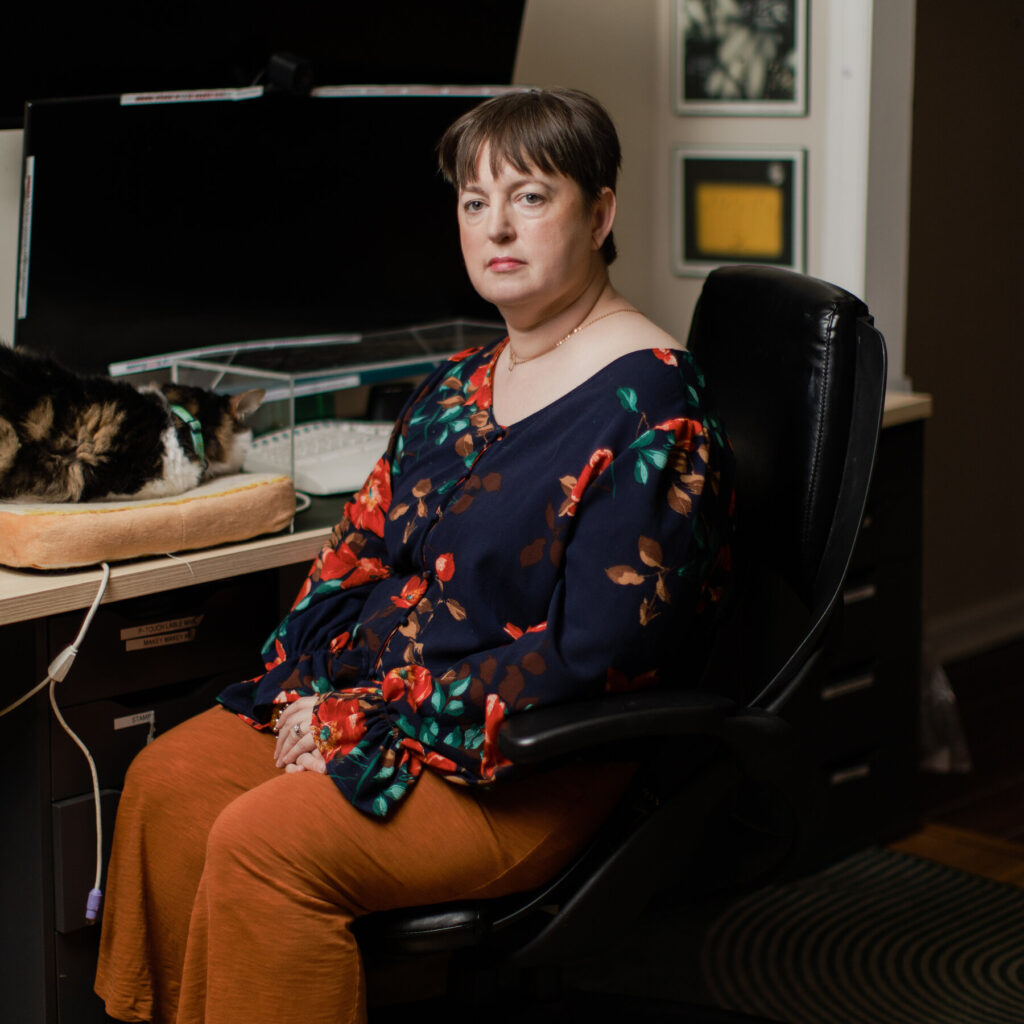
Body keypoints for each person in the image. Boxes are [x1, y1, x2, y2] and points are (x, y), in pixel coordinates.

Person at [95, 87, 735, 1024]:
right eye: (476, 202)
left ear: (600, 215)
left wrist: (364, 717)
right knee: (167, 784)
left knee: (265, 847)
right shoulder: (456, 384)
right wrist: (305, 692)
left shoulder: (654, 409)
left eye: (530, 196)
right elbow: (356, 551)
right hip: (380, 710)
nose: (496, 227)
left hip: (523, 767)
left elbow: (593, 659)